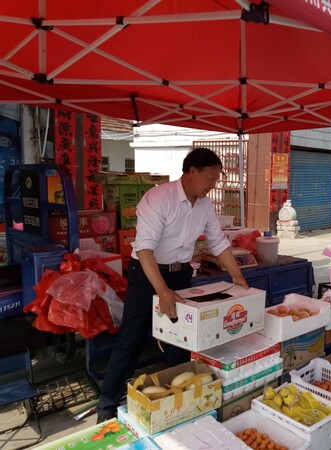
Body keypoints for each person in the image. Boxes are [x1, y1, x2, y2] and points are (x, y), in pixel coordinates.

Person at [97, 147, 248, 422]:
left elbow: (218, 242)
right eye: (210, 179)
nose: (213, 185)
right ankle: (107, 407)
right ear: (192, 171)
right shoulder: (159, 198)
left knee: (181, 338)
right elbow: (144, 248)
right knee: (131, 338)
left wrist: (237, 277)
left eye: (216, 180)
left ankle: (173, 402)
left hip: (180, 275)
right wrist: (162, 291)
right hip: (148, 274)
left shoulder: (204, 205)